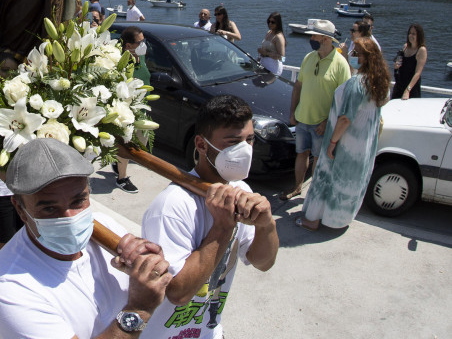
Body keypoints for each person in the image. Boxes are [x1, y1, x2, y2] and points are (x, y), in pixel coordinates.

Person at [0, 136, 173, 339]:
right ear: (20, 208)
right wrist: (139, 309)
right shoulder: (6, 289)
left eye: (78, 201)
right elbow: (143, 305)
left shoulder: (105, 226)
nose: (70, 218)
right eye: (49, 208)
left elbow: (168, 291)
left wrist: (151, 266)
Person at [140, 95, 279, 338]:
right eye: (233, 142)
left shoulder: (242, 191)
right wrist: (223, 228)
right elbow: (177, 293)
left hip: (209, 331)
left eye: (249, 140)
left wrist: (266, 225)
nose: (244, 150)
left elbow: (263, 263)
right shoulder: (172, 207)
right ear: (202, 145)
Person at [297, 38, 390, 231]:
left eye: (356, 54)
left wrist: (332, 143)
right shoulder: (380, 83)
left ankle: (313, 219)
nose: (352, 56)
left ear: (365, 58)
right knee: (349, 183)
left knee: (327, 177)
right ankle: (339, 219)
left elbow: (345, 118)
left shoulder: (357, 83)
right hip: (363, 144)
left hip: (346, 143)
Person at [283, 19, 351, 201]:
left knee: (318, 158)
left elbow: (343, 99)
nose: (311, 39)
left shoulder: (340, 64)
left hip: (321, 123)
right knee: (301, 153)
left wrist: (327, 121)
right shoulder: (309, 58)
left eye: (314, 35)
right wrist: (293, 112)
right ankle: (297, 187)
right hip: (302, 118)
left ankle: (312, 194)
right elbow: (298, 86)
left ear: (327, 39)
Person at [111, 26, 149, 194]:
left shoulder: (142, 57)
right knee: (128, 145)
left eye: (144, 40)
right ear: (128, 46)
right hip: (127, 111)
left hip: (143, 107)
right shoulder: (122, 63)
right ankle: (122, 178)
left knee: (143, 142)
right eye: (139, 42)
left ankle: (117, 162)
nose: (143, 44)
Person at [391, 23, 427, 100]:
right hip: (399, 85)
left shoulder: (421, 50)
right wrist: (396, 66)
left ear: (419, 35)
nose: (411, 36)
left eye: (414, 34)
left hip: (411, 89)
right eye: (410, 33)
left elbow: (418, 73)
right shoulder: (405, 47)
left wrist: (407, 90)